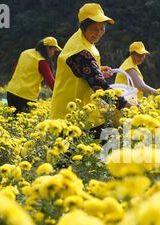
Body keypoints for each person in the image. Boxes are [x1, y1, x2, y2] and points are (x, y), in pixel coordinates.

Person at [50, 3, 131, 138]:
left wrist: (96, 70)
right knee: (105, 147)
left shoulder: (82, 40)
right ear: (83, 27)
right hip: (71, 116)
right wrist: (126, 105)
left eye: (102, 28)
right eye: (94, 28)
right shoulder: (80, 50)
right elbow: (99, 86)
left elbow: (80, 70)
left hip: (83, 112)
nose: (98, 33)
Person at [7, 37, 62, 115]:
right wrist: (61, 95)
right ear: (48, 48)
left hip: (11, 92)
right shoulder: (41, 61)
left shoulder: (25, 52)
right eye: (54, 50)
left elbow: (15, 69)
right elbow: (51, 82)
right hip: (26, 97)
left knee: (12, 122)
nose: (53, 53)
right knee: (26, 123)